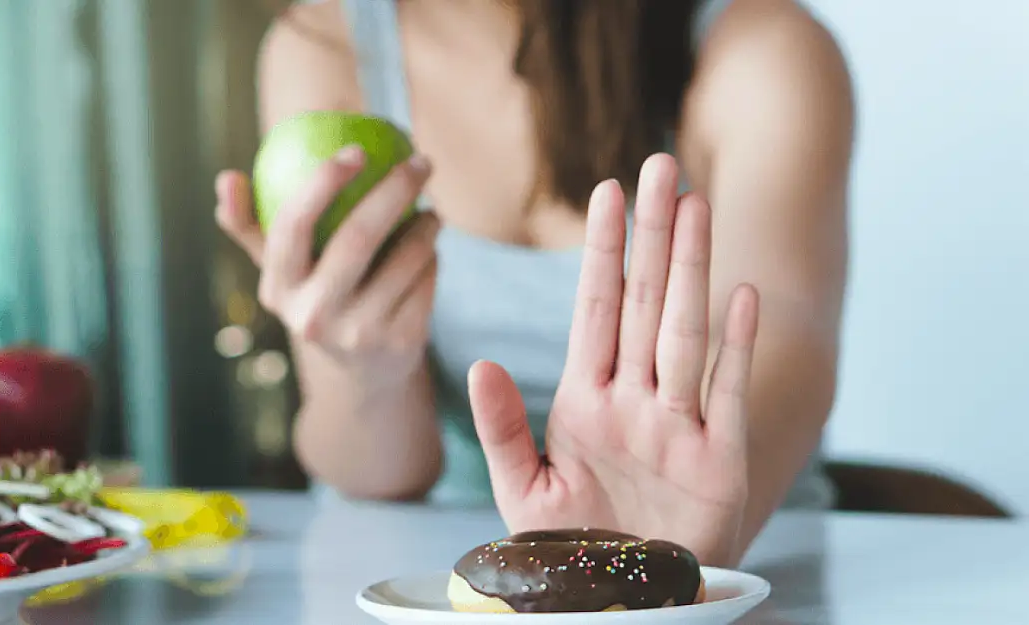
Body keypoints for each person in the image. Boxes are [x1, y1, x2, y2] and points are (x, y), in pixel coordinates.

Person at [215, 0, 853, 567]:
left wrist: (663, 546)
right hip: (447, 577)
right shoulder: (325, 42)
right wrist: (362, 373)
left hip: (738, 564)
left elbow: (785, 351)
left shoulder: (763, 48)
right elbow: (384, 480)